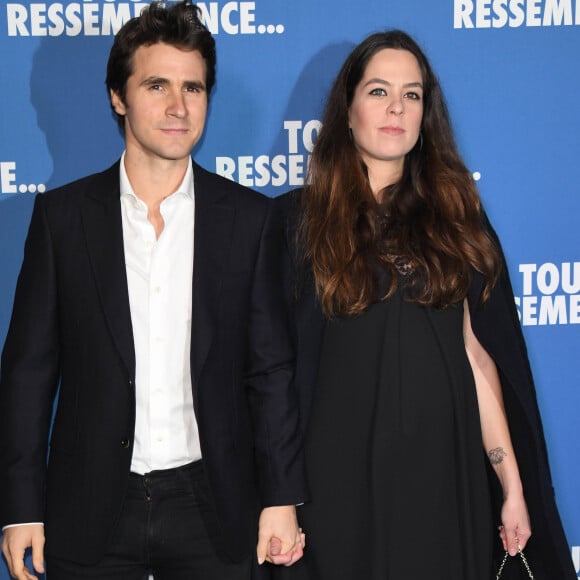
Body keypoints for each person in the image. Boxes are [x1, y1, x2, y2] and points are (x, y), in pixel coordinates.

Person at [0, 2, 307, 579]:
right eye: (157, 84)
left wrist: (281, 496)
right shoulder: (63, 220)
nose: (178, 106)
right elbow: (28, 374)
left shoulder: (249, 220)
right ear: (119, 97)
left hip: (213, 503)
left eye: (193, 87)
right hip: (89, 508)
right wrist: (19, 507)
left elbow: (270, 370)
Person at [275, 30, 575, 580]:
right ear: (346, 110)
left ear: (425, 113)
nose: (396, 108)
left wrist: (511, 486)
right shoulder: (295, 222)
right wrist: (279, 498)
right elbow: (272, 374)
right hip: (334, 486)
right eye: (378, 91)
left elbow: (480, 359)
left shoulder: (460, 221)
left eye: (412, 95)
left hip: (444, 478)